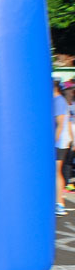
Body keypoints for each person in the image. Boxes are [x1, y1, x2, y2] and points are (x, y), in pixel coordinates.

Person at [54, 80, 72, 216]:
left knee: (56, 172)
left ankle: (59, 203)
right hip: (60, 142)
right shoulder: (59, 100)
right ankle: (58, 201)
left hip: (59, 143)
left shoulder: (58, 100)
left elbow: (60, 123)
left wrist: (54, 141)